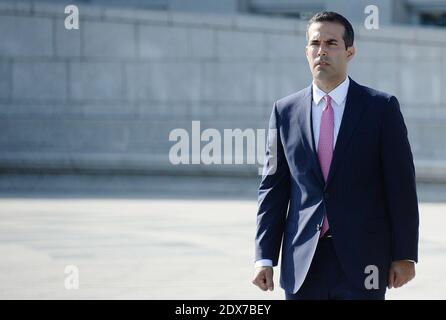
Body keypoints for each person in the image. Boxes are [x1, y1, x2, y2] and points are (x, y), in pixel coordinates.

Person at [251, 11, 419, 300]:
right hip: (302, 261)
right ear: (306, 52)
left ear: (349, 52)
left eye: (331, 43)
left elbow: (400, 187)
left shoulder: (380, 108)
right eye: (315, 43)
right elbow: (273, 189)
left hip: (364, 261)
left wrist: (405, 255)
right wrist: (264, 257)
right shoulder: (284, 112)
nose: (322, 51)